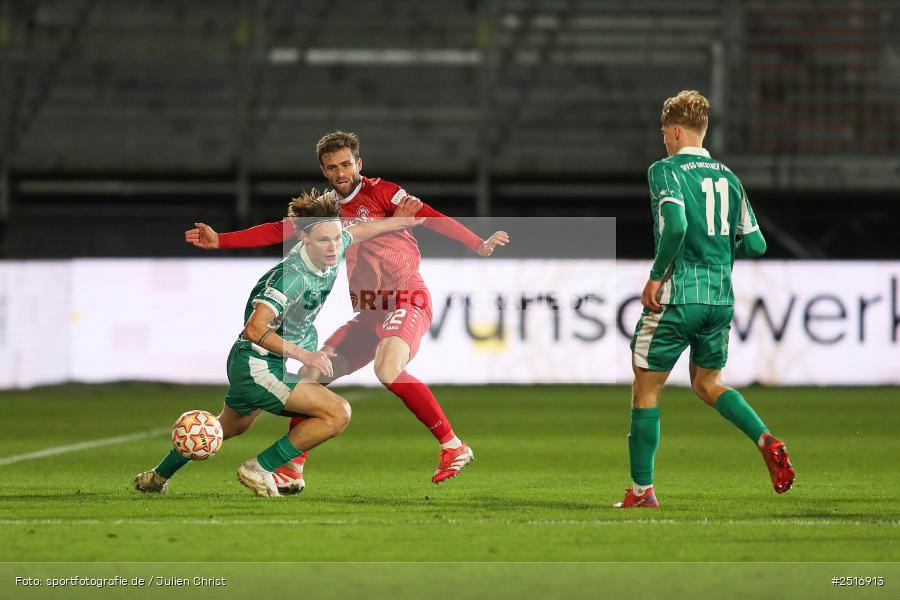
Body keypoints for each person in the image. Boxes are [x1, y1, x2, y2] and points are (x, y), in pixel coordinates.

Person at [185, 132, 509, 489]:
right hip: (370, 310)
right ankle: (291, 468)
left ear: (359, 163)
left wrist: (477, 242)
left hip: (405, 298)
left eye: (345, 164)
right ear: (324, 171)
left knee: (388, 368)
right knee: (312, 373)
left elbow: (431, 216)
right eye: (331, 167)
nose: (340, 172)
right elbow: (278, 230)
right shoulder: (326, 211)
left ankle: (453, 446)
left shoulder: (385, 193)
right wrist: (222, 240)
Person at [135, 191, 424, 497]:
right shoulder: (291, 277)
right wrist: (305, 355)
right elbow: (254, 328)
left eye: (337, 238)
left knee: (229, 426)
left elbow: (359, 231)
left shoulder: (333, 246)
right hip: (256, 364)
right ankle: (260, 467)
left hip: (257, 362)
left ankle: (157, 477)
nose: (334, 246)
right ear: (304, 239)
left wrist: (396, 222)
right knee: (337, 413)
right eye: (325, 240)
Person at [615, 90, 795, 509]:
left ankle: (642, 493)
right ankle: (764, 437)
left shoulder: (665, 171)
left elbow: (675, 225)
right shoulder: (729, 178)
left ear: (675, 131)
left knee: (646, 389)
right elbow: (757, 244)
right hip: (720, 298)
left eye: (664, 134)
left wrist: (656, 278)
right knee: (708, 382)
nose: (664, 141)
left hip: (679, 296)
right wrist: (718, 241)